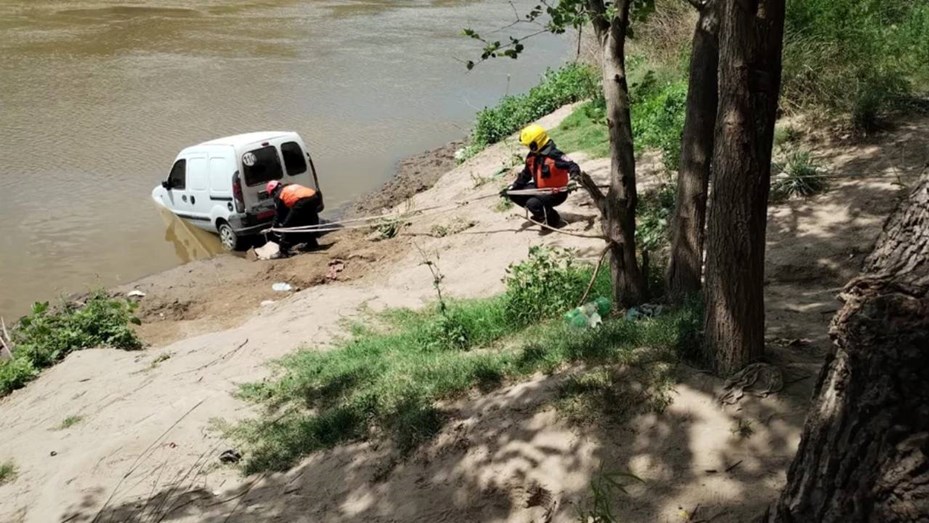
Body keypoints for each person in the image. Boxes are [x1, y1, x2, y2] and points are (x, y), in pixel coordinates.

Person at [502, 124, 580, 228]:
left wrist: (573, 179)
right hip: (540, 189)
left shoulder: (554, 155)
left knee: (532, 203)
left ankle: (553, 219)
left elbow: (572, 165)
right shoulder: (532, 157)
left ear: (535, 144)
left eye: (528, 145)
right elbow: (525, 175)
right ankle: (541, 214)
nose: (527, 148)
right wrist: (512, 188)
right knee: (513, 193)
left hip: (556, 194)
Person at [266, 180, 321, 255]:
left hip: (302, 201)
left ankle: (283, 250)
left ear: (273, 191)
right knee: (306, 221)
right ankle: (312, 243)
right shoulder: (290, 185)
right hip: (314, 197)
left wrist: (274, 226)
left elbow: (279, 214)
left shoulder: (278, 195)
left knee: (287, 225)